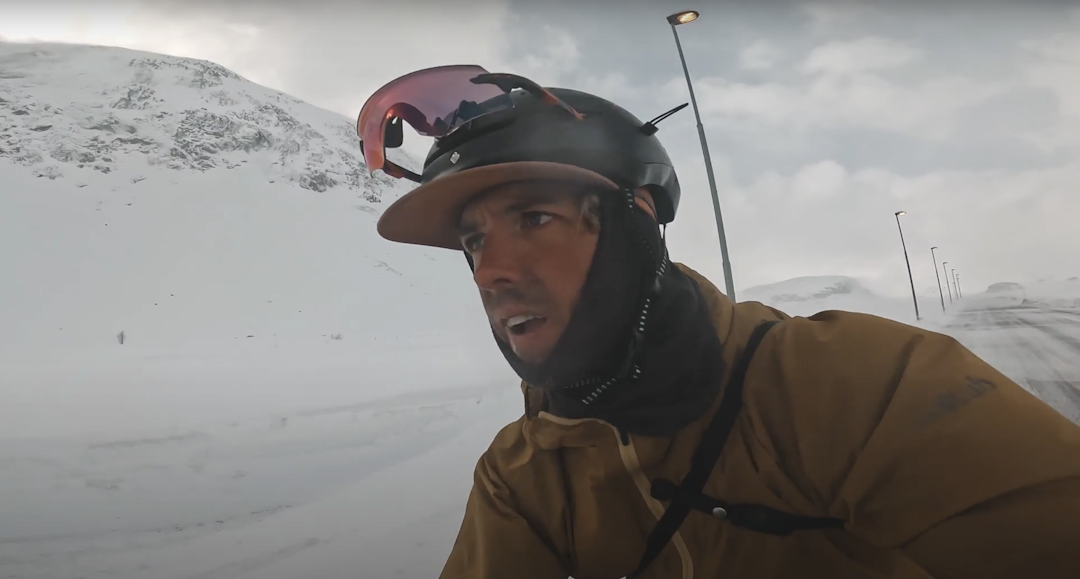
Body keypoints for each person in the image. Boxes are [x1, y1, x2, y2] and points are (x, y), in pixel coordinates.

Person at [356, 65, 1080, 579]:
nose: (489, 271)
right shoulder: (523, 476)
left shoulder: (855, 385)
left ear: (636, 221)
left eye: (535, 218)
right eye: (474, 239)